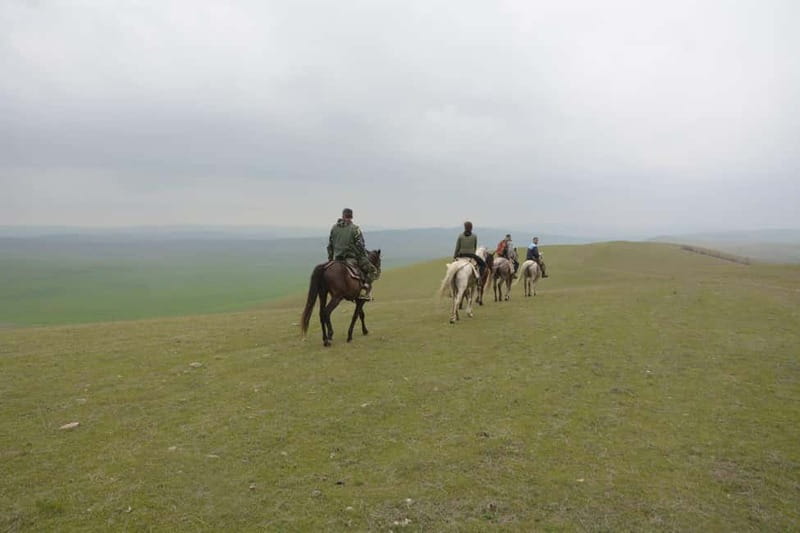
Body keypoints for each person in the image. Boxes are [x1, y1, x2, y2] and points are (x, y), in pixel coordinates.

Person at [327, 208, 378, 300]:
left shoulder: (334, 228)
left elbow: (330, 246)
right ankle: (364, 291)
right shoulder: (355, 229)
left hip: (337, 258)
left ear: (343, 216)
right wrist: (363, 256)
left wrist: (330, 259)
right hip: (351, 258)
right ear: (351, 217)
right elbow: (361, 245)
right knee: (373, 270)